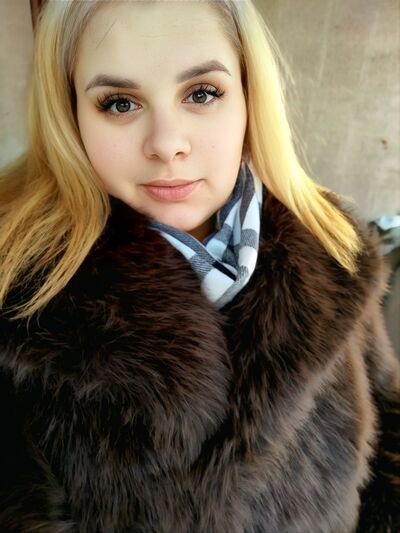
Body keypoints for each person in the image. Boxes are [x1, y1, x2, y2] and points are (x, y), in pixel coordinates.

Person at [0, 0, 398, 531]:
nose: (167, 144)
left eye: (202, 93)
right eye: (119, 103)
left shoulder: (332, 246)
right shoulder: (16, 289)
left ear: (250, 96)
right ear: (69, 115)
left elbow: (388, 436)